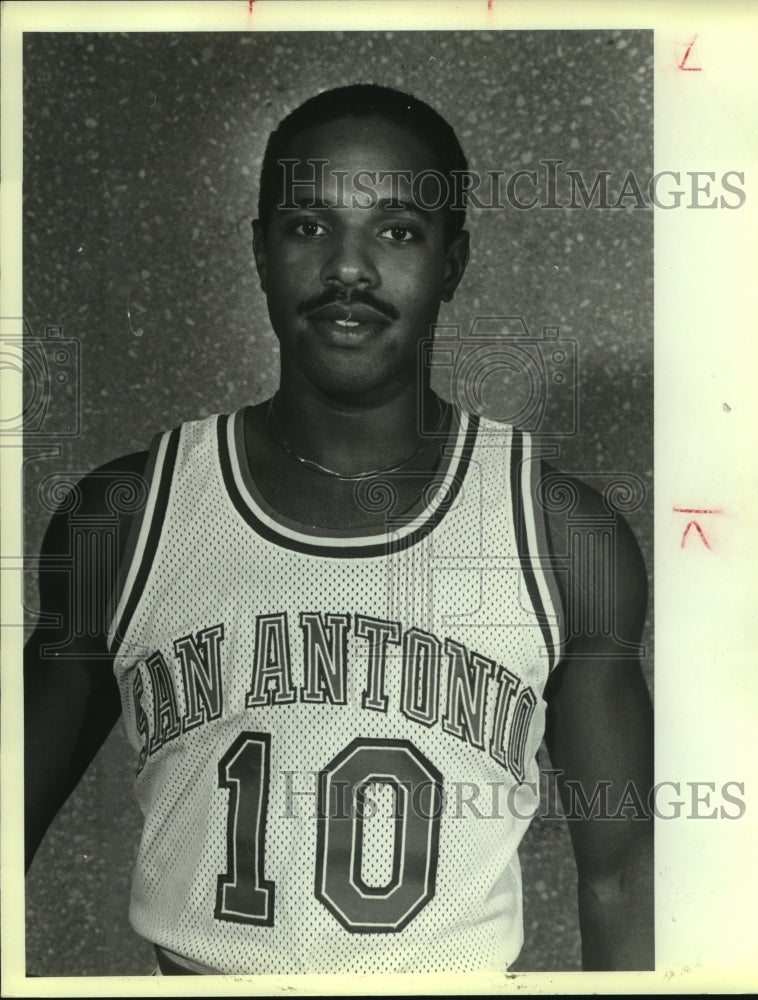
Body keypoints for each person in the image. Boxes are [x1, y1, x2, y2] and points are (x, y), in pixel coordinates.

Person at [24, 84, 654, 975]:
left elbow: (624, 877)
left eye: (397, 231)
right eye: (306, 226)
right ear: (258, 250)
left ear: (453, 261)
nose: (348, 269)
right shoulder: (127, 515)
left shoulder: (560, 534)